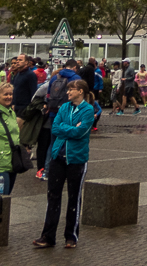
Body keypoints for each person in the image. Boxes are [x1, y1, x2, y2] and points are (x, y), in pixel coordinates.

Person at [33, 79, 94, 249]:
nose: (67, 93)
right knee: (53, 196)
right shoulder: (64, 107)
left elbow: (81, 132)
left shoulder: (88, 110)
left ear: (80, 91)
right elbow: (56, 128)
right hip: (58, 156)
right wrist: (71, 129)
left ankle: (71, 236)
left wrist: (67, 129)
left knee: (74, 198)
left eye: (71, 90)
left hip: (76, 158)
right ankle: (48, 235)